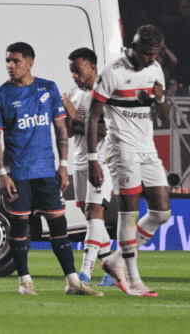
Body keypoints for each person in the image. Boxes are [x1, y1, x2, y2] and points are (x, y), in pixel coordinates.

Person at [0, 42, 99, 296]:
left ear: (30, 62)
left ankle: (73, 282)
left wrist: (63, 166)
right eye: (8, 61)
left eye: (15, 61)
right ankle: (25, 282)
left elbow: (61, 129)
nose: (10, 66)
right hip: (17, 173)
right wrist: (2, 174)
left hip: (47, 171)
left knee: (58, 225)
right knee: (20, 227)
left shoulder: (47, 88)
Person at [88, 25, 174, 298]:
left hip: (147, 149)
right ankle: (134, 280)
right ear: (134, 47)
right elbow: (92, 117)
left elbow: (163, 115)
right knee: (130, 211)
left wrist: (160, 97)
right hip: (121, 149)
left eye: (155, 54)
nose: (151, 58)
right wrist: (93, 159)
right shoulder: (112, 72)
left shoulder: (155, 69)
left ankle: (114, 260)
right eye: (147, 53)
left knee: (161, 212)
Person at [60, 47, 124, 289]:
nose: (74, 76)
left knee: (93, 215)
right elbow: (70, 129)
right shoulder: (76, 95)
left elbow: (105, 129)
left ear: (92, 66)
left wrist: (76, 117)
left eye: (78, 70)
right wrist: (69, 116)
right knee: (90, 215)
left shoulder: (105, 93)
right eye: (72, 71)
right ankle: (112, 268)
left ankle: (85, 273)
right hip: (79, 161)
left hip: (101, 161)